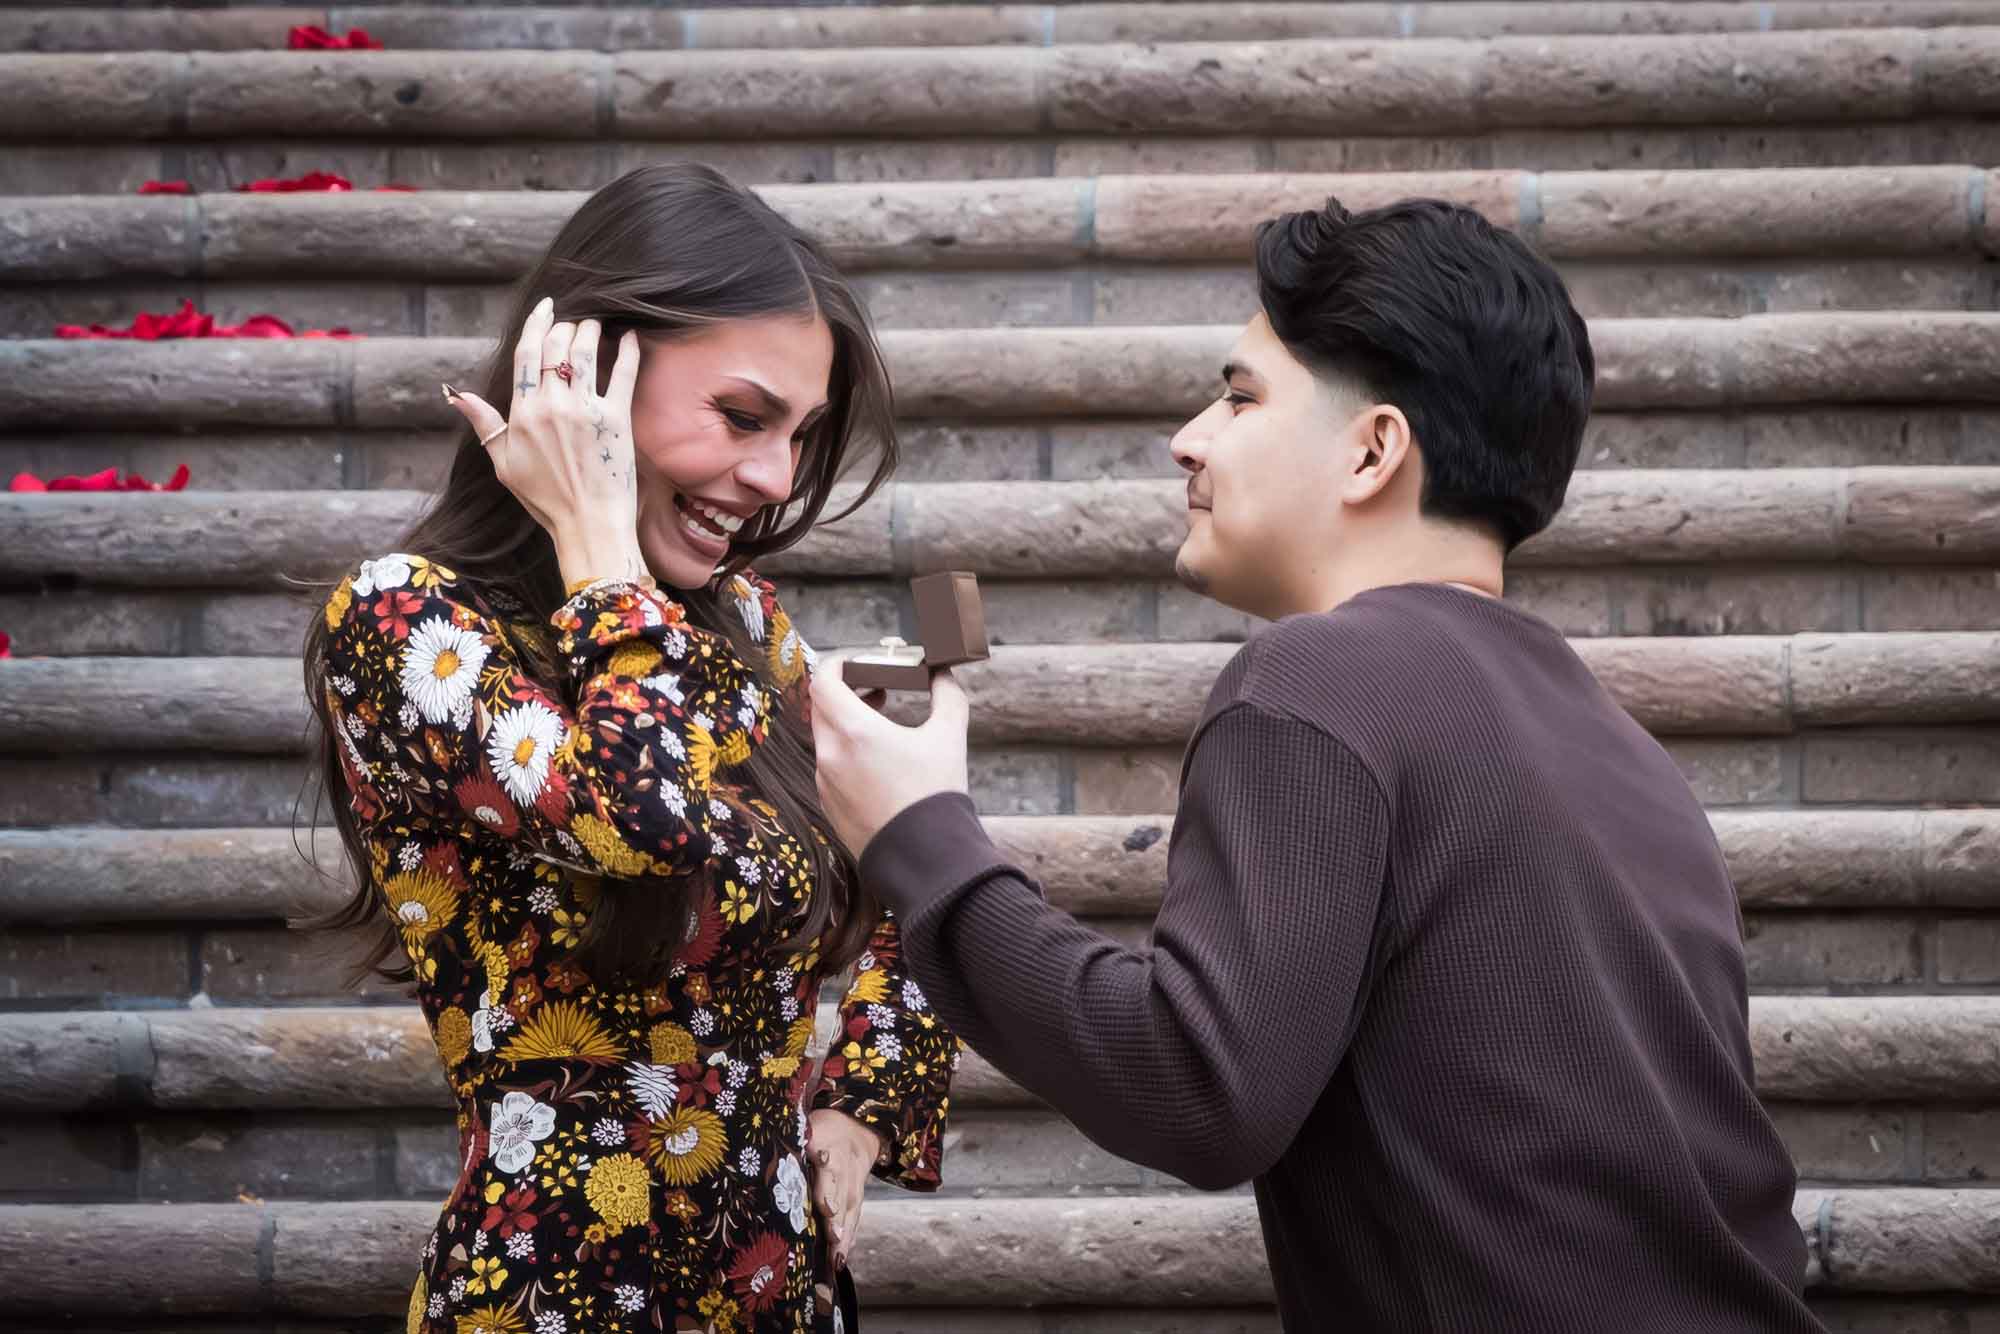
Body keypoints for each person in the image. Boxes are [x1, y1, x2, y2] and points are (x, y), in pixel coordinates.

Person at [807, 197, 1823, 1331]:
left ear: (1372, 450)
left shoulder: (1317, 679)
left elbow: (1196, 1085)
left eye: (1241, 397)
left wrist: (923, 840)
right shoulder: (1630, 754)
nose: (1188, 438)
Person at [304, 164, 955, 1334]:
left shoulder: (739, 625)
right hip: (552, 1296)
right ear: (584, 376)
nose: (774, 479)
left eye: (799, 435)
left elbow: (924, 852)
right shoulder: (407, 621)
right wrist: (600, 549)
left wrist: (862, 1100)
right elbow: (637, 823)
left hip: (780, 1302)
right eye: (743, 417)